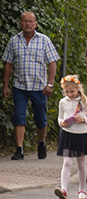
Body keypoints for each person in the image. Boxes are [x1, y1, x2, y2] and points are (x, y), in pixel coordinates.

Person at [3, 11, 60, 160]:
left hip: (39, 87)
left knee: (41, 118)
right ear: (21, 23)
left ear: (35, 24)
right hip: (19, 86)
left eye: (30, 21)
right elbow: (8, 64)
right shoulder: (14, 41)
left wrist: (50, 84)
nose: (27, 24)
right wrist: (6, 86)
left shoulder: (44, 40)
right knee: (19, 116)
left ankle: (41, 143)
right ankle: (19, 149)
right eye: (25, 21)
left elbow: (52, 63)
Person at [54, 75, 87, 199]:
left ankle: (82, 189)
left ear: (77, 89)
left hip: (81, 134)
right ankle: (63, 189)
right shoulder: (62, 102)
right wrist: (61, 123)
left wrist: (84, 119)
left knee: (81, 164)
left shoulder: (83, 101)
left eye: (72, 91)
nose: (69, 94)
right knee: (67, 162)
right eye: (66, 92)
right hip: (68, 134)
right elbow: (59, 117)